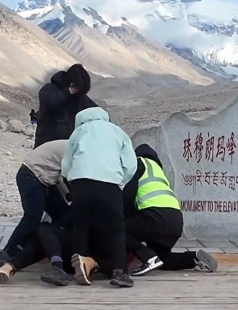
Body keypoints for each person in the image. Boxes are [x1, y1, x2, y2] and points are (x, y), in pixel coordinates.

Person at [62, 107, 137, 288]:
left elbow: (66, 165)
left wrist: (72, 181)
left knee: (81, 226)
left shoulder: (78, 132)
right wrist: (120, 182)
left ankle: (80, 265)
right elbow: (131, 165)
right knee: (116, 228)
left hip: (80, 183)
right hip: (109, 184)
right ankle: (119, 271)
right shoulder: (118, 132)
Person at [123, 144, 218, 276]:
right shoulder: (159, 173)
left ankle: (147, 256)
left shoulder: (138, 163)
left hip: (155, 217)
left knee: (118, 229)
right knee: (163, 259)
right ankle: (194, 258)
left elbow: (128, 196)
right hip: (176, 221)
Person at [0, 140, 71, 266]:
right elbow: (68, 177)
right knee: (33, 216)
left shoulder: (74, 145)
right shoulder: (76, 151)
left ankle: (50, 248)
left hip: (45, 179)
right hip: (31, 176)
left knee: (63, 215)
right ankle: (8, 252)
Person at [34, 64, 97, 148]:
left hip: (67, 146)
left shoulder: (79, 97)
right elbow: (50, 101)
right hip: (45, 143)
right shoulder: (50, 89)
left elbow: (93, 110)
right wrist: (67, 92)